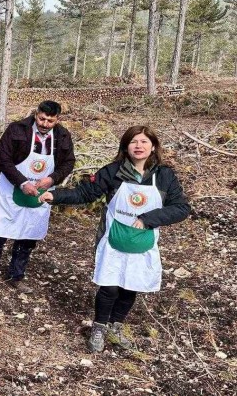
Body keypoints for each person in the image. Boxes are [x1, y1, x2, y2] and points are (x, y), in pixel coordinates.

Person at [40, 125, 190, 352]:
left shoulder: (164, 176)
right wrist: (55, 195)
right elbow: (85, 193)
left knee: (131, 287)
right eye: (133, 142)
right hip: (113, 240)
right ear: (125, 147)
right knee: (109, 287)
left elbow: (181, 208)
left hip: (143, 243)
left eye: (143, 142)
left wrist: (149, 218)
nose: (138, 146)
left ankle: (115, 326)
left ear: (153, 147)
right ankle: (99, 327)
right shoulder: (113, 172)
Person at [0, 100, 75, 294]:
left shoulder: (63, 136)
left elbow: (69, 162)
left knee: (29, 233)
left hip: (40, 191)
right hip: (10, 187)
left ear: (58, 120)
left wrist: (52, 178)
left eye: (50, 120)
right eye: (42, 118)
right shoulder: (17, 130)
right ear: (36, 114)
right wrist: (22, 182)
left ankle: (17, 275)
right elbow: (3, 159)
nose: (45, 124)